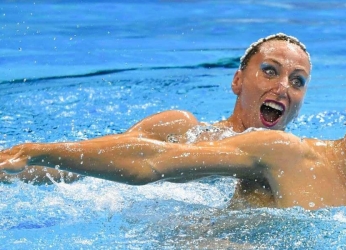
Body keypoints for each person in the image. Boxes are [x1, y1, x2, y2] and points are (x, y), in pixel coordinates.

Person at [0, 33, 315, 208]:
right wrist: (16, 163)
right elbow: (91, 164)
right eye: (270, 70)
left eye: (298, 81)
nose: (283, 87)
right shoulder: (183, 128)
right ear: (237, 81)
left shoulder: (296, 164)